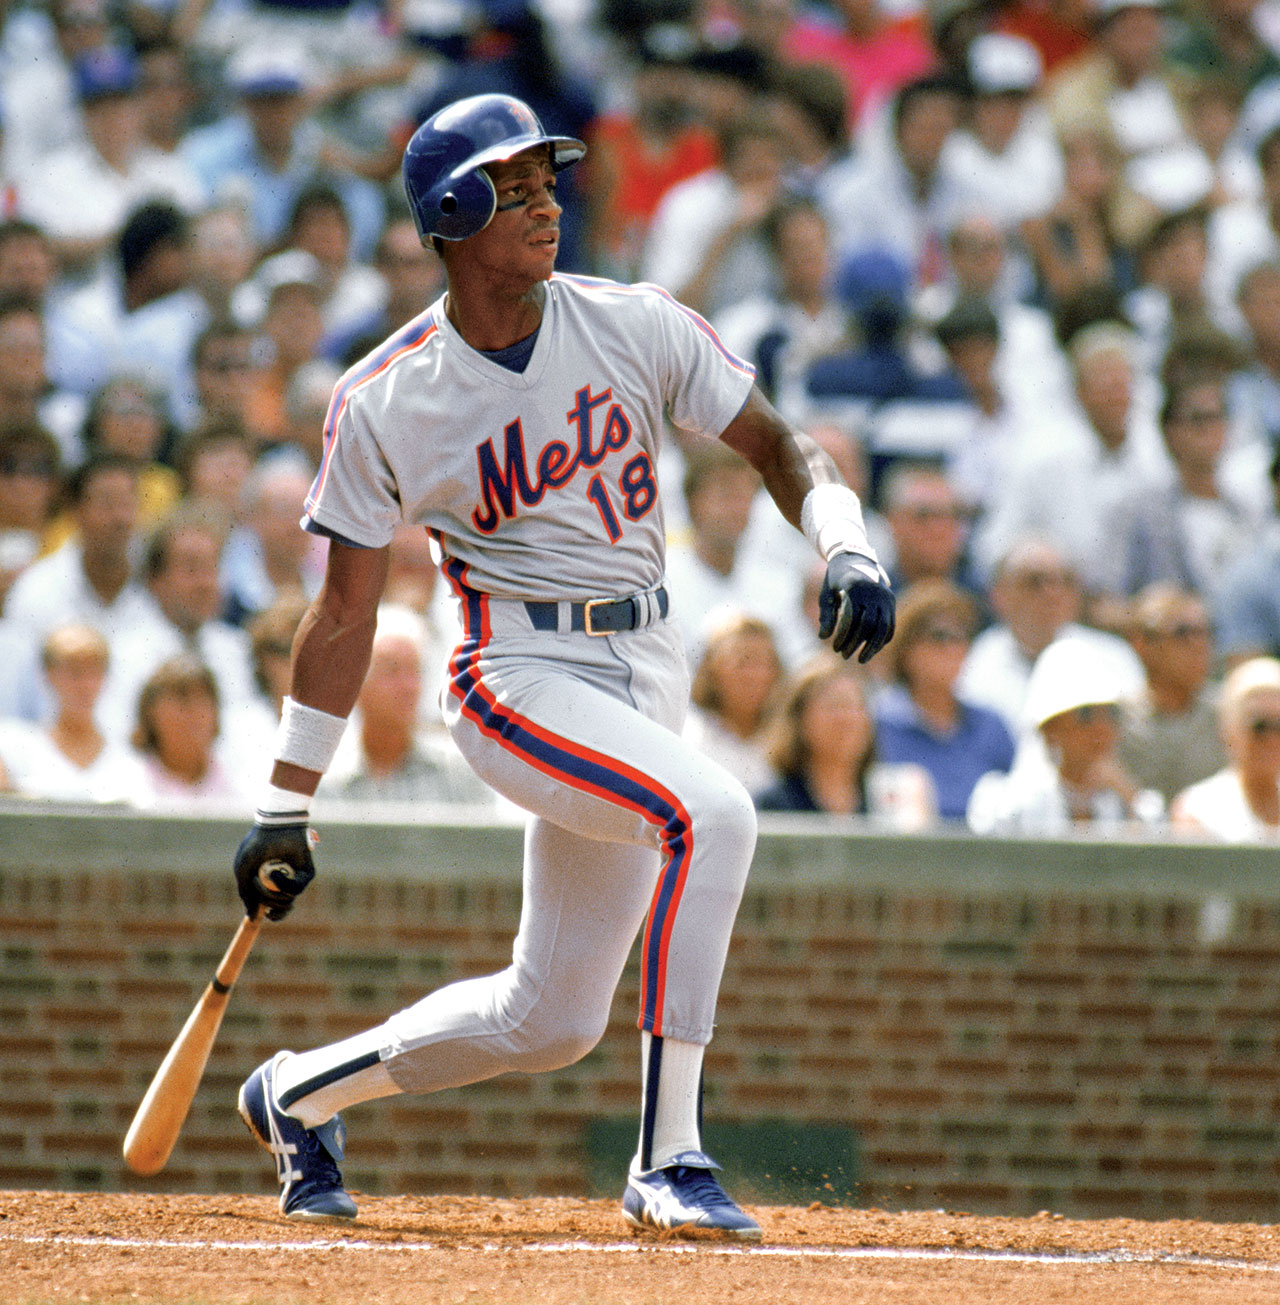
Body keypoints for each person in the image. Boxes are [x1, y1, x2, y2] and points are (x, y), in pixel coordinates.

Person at [227, 93, 895, 1239]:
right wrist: (284, 803)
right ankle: (668, 1158)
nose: (545, 206)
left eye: (547, 182)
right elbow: (341, 616)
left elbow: (779, 443)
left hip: (645, 655)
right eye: (514, 186)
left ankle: (296, 1094)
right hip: (514, 667)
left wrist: (844, 540)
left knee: (550, 1020)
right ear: (452, 211)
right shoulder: (387, 395)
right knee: (714, 815)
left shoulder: (630, 321)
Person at [967, 632, 1163, 834]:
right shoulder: (1004, 803)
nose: (1102, 727)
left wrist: (1131, 800)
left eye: (1111, 713)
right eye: (1085, 714)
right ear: (1050, 728)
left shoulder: (1124, 801)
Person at [872, 578, 1016, 822]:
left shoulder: (992, 726)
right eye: (939, 636)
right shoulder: (877, 725)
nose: (952, 648)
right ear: (906, 648)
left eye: (961, 637)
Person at [753, 651, 934, 826]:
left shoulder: (892, 798)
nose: (848, 718)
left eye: (857, 705)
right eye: (835, 705)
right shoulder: (773, 805)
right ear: (799, 719)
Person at [0, 622, 143, 802]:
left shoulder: (130, 756)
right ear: (47, 675)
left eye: (94, 671)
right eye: (74, 672)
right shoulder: (12, 749)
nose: (85, 685)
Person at [1117, 583, 1227, 804]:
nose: (1200, 644)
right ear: (1142, 643)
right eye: (1183, 632)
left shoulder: (1228, 715)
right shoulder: (1114, 722)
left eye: (1206, 632)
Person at [1170, 655, 1280, 839]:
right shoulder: (1198, 809)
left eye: (1279, 726)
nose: (1272, 739)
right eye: (1259, 726)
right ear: (1229, 730)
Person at [683, 610, 787, 798]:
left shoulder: (789, 739)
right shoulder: (690, 738)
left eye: (766, 662)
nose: (755, 675)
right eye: (742, 662)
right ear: (712, 669)